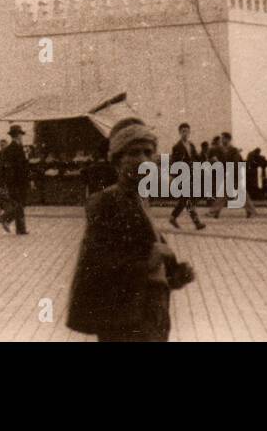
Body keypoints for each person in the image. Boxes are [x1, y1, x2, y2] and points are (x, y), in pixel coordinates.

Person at [67, 118, 195, 341]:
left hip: (149, 316)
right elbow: (97, 266)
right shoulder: (106, 201)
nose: (143, 160)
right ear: (117, 161)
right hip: (124, 321)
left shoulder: (140, 199)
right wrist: (149, 262)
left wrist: (175, 273)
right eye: (134, 153)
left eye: (148, 152)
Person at [208, 132, 257, 218]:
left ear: (228, 139)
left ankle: (214, 212)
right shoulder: (221, 150)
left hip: (234, 174)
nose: (222, 140)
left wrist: (219, 163)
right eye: (222, 138)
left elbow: (235, 163)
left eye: (223, 138)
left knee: (234, 193)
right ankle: (251, 211)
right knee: (234, 193)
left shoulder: (234, 150)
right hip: (229, 174)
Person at [168, 123, 205, 230]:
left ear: (189, 132)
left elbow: (197, 158)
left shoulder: (191, 145)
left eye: (187, 131)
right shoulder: (176, 147)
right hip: (182, 176)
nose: (185, 133)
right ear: (180, 132)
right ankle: (196, 223)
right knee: (188, 199)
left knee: (186, 199)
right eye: (183, 131)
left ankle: (173, 217)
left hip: (191, 175)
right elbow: (175, 162)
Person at [0, 125, 30, 235]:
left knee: (19, 203)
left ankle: (21, 229)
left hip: (15, 180)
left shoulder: (13, 148)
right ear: (17, 135)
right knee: (19, 203)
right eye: (21, 134)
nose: (22, 137)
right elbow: (17, 166)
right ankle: (5, 218)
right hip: (16, 180)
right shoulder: (14, 148)